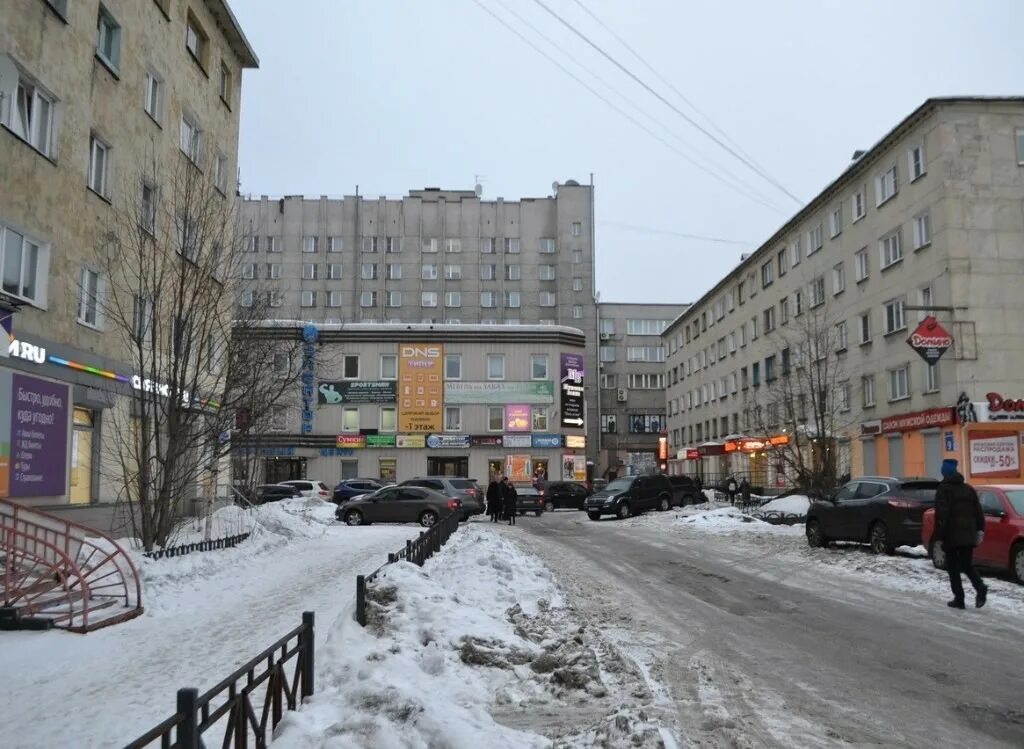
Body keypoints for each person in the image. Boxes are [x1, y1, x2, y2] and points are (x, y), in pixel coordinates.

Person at [934, 458, 988, 609]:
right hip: (969, 534)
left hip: (952, 534)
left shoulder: (943, 490)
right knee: (966, 564)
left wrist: (939, 537)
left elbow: (941, 516)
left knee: (952, 566)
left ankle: (959, 598)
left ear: (944, 472)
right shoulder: (968, 489)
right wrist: (980, 530)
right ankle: (980, 587)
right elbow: (979, 512)